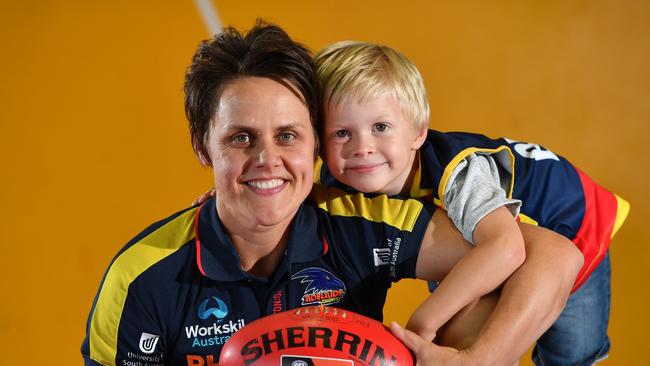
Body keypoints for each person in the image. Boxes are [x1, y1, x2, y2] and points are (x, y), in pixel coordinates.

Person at [82, 22, 582, 366]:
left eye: (287, 135)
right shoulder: (140, 279)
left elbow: (551, 255)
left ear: (315, 144)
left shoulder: (358, 222)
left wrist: (478, 360)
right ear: (202, 146)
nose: (266, 160)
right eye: (240, 138)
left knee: (485, 298)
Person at [313, 40, 630, 365]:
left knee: (571, 350)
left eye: (380, 127)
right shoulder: (334, 189)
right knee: (465, 321)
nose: (362, 147)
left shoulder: (458, 174)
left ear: (418, 133)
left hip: (575, 226)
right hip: (486, 238)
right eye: (341, 133)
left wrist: (424, 322)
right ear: (319, 143)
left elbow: (506, 247)